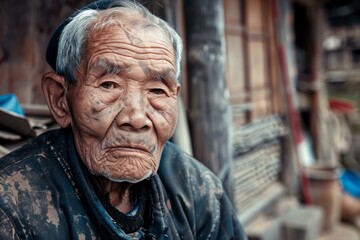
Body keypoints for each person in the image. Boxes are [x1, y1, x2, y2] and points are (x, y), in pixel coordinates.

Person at [0, 0, 247, 239]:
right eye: (109, 84)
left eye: (157, 90)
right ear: (60, 99)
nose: (137, 118)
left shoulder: (195, 188)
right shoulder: (11, 203)